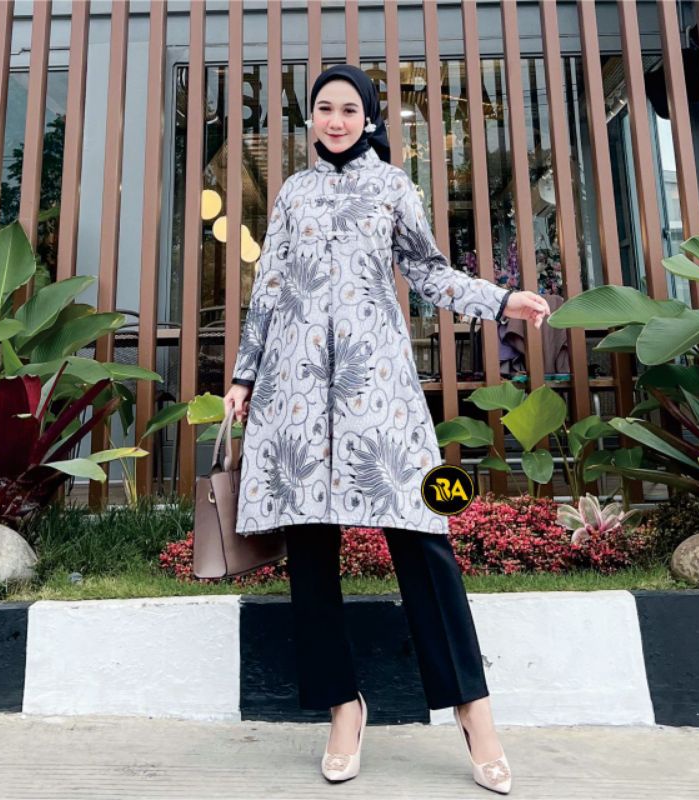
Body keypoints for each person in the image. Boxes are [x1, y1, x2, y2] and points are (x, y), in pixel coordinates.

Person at [223, 64, 549, 794]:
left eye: (349, 109)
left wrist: (501, 301)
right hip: (295, 391)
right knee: (310, 550)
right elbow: (267, 288)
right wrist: (244, 377)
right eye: (324, 108)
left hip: (377, 390)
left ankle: (474, 711)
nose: (335, 120)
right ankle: (343, 707)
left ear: (368, 118)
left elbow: (429, 272)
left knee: (423, 538)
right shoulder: (293, 193)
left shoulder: (393, 187)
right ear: (311, 118)